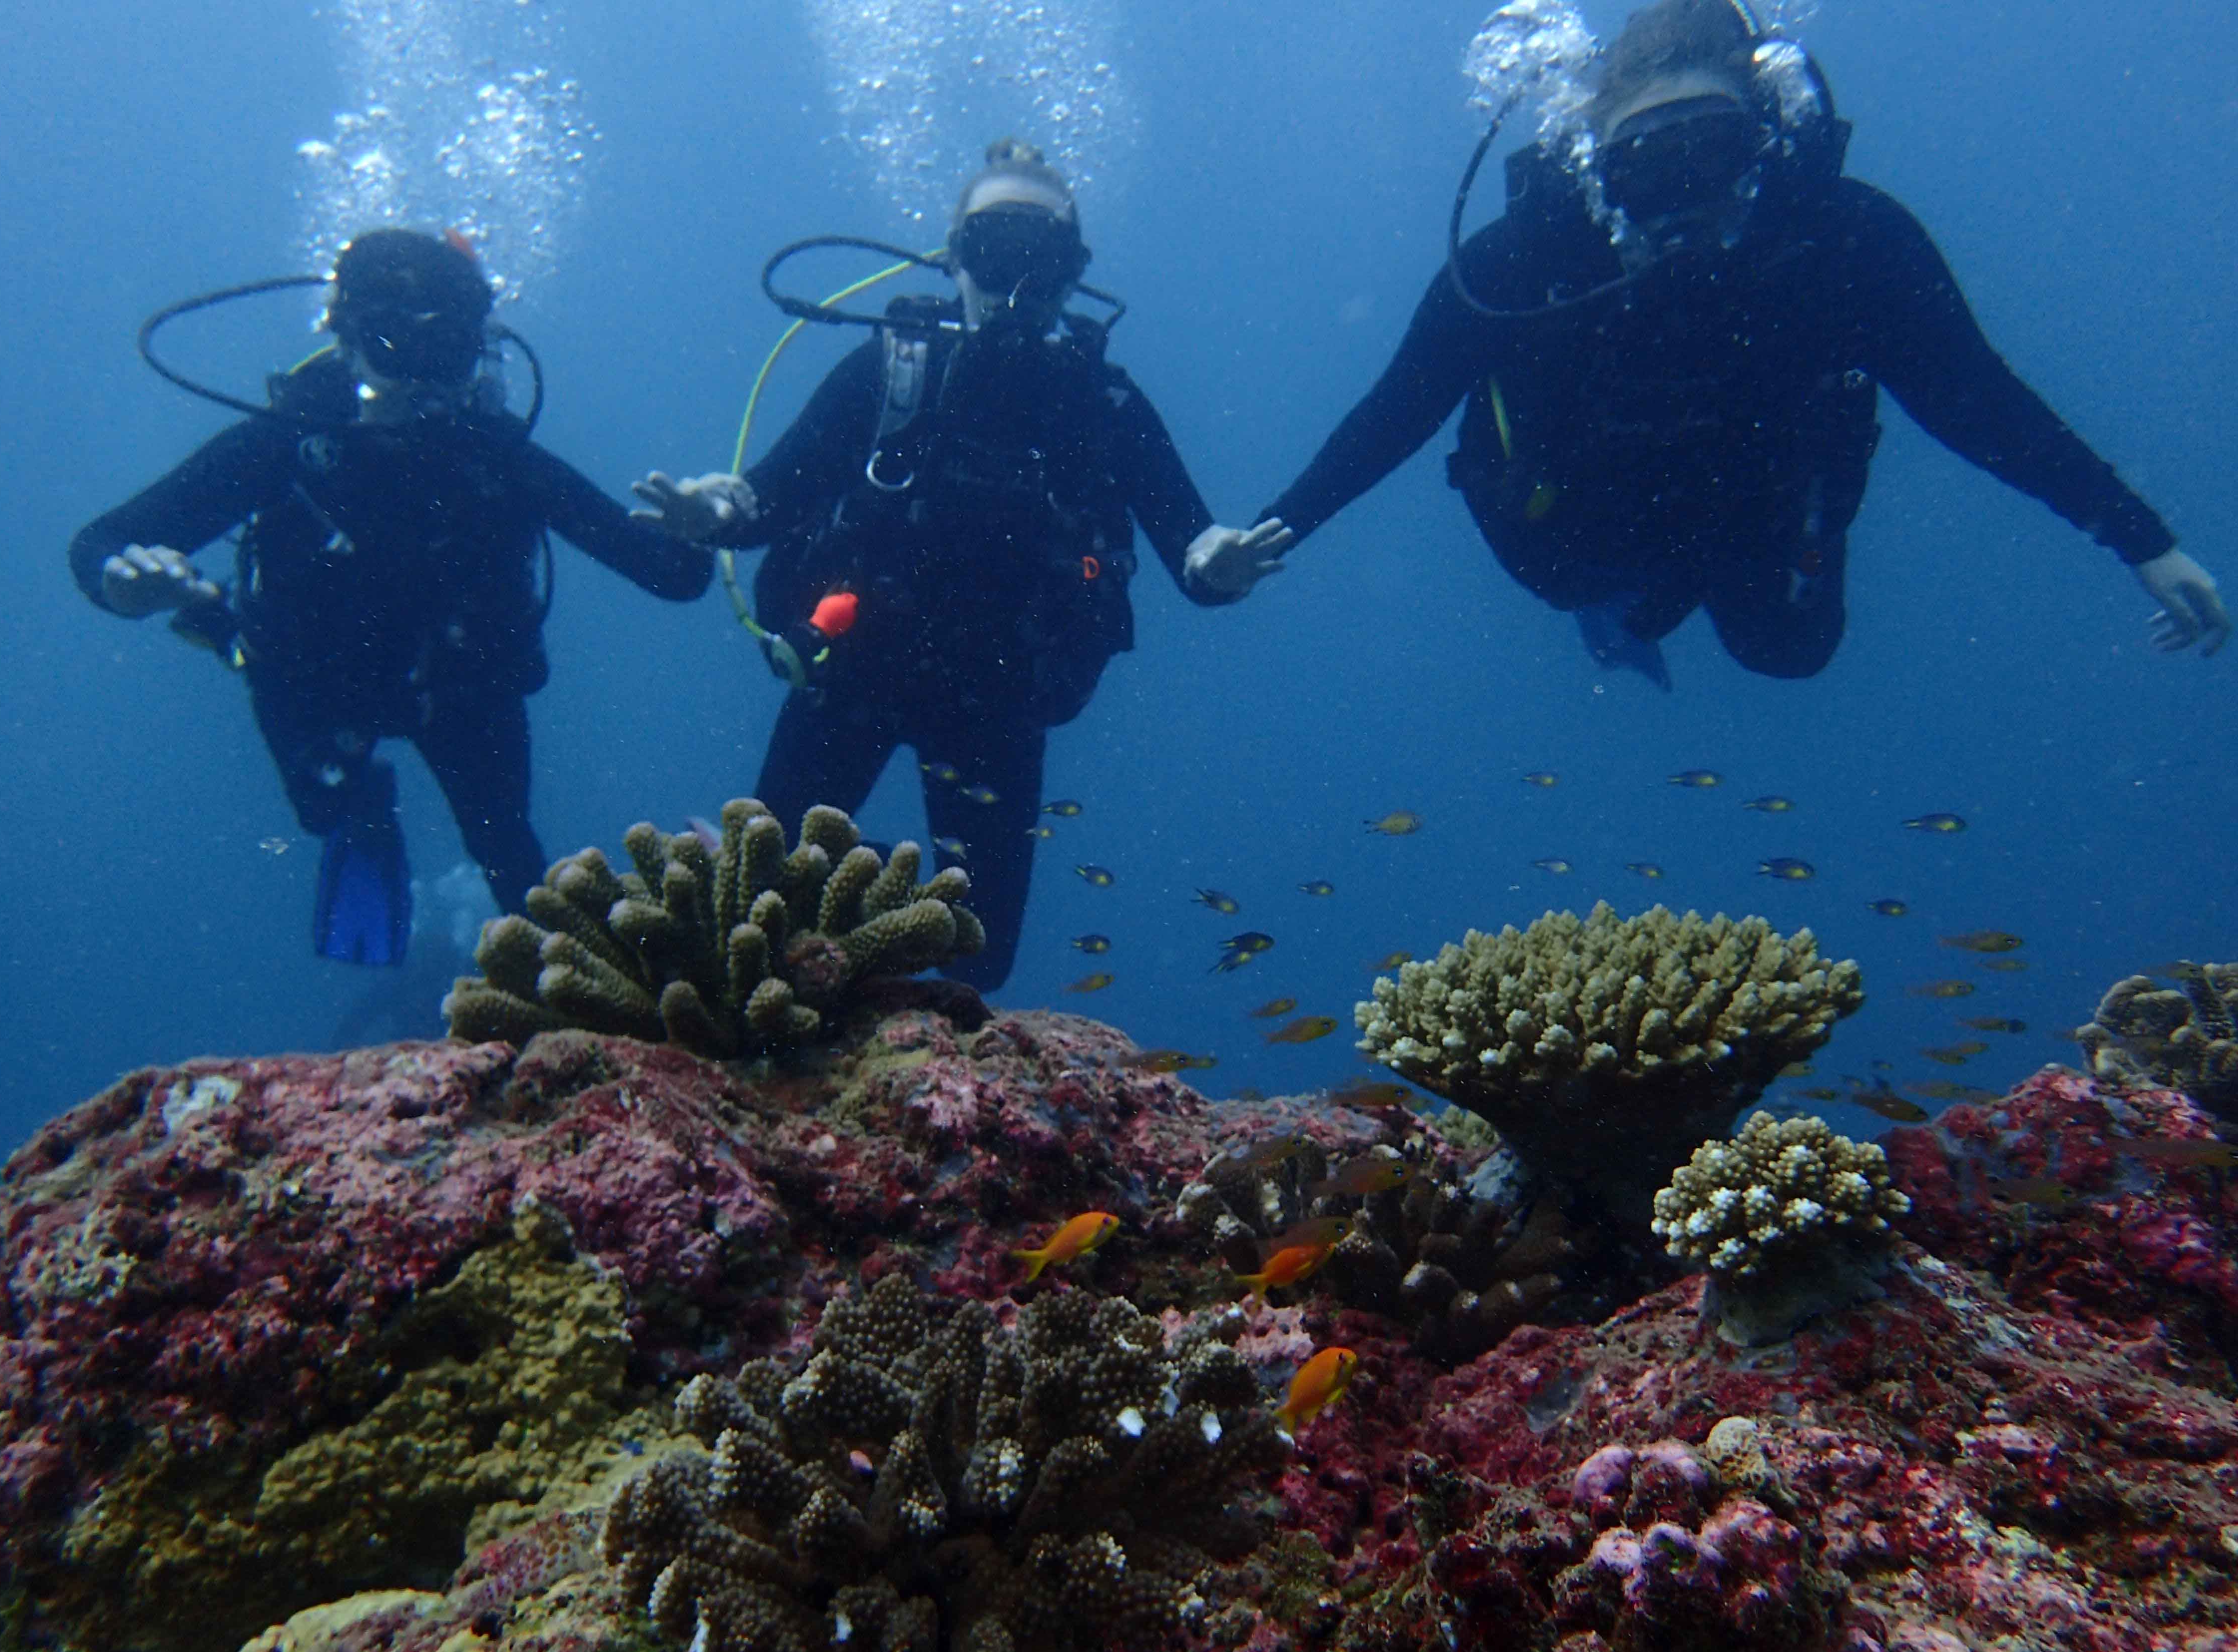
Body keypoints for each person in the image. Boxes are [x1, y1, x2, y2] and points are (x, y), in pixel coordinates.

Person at [1218, 0, 2226, 688]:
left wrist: (2144, 539)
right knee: (1584, 585)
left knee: (1791, 655)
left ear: (1766, 140)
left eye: (1715, 154)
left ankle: (1689, 588)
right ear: (1597, 168)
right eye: (1651, 168)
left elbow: (1978, 401)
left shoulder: (1844, 238)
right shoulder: (1523, 259)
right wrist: (1282, 527)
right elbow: (1400, 405)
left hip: (1764, 499)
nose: (1688, 198)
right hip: (1574, 521)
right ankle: (1625, 611)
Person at [634, 141, 1291, 989]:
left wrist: (1218, 566)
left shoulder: (1104, 402)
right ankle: (845, 944)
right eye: (993, 253)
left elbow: (1193, 552)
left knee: (980, 959)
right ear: (952, 261)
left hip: (1001, 696)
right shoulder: (891, 370)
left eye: (1041, 260)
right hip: (853, 669)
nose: (1016, 282)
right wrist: (716, 515)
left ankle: (868, 947)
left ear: (1074, 272)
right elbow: (765, 500)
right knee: (753, 895)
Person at [70, 229, 715, 963]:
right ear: (345, 340)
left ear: (478, 351)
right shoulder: (287, 446)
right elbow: (99, 543)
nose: (422, 383)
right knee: (325, 810)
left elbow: (672, 577)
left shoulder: (500, 458)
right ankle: (225, 632)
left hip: (463, 685)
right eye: (393, 344)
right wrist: (124, 588)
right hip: (315, 678)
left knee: (511, 855)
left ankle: (577, 1015)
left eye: (448, 351)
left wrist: (696, 531)